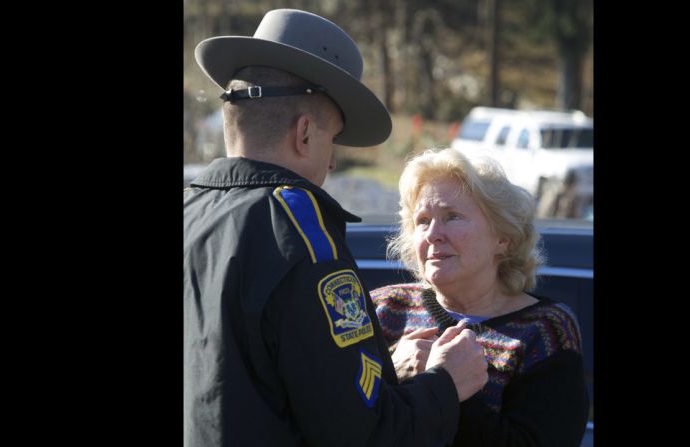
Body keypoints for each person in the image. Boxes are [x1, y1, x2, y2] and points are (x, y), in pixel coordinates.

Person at [184, 9, 489, 447]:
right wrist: (446, 382)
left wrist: (386, 373)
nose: (331, 163)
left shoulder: (191, 213)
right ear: (305, 133)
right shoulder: (297, 231)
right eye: (333, 143)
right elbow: (362, 434)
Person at [371, 148, 590, 446]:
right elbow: (331, 419)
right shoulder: (383, 309)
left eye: (452, 217)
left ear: (503, 238)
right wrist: (391, 371)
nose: (434, 233)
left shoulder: (545, 330)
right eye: (422, 220)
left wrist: (444, 383)